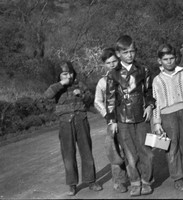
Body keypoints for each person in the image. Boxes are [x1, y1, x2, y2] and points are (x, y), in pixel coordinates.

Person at [105, 35, 156, 196]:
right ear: (118, 54)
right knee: (129, 152)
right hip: (122, 119)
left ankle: (146, 181)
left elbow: (149, 91)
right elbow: (110, 99)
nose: (129, 55)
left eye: (132, 51)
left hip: (141, 116)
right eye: (125, 52)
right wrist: (112, 120)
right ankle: (134, 181)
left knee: (145, 150)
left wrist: (149, 105)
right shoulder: (113, 74)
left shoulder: (143, 69)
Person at [44, 61, 102, 196]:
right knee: (68, 155)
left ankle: (91, 181)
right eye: (64, 73)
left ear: (73, 73)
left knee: (87, 152)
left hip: (81, 121)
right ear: (59, 75)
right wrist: (61, 84)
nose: (68, 76)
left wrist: (81, 94)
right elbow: (47, 95)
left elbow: (90, 99)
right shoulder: (56, 87)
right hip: (65, 124)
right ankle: (72, 185)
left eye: (69, 73)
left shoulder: (80, 84)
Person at [151, 44, 183, 191]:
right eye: (165, 59)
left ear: (176, 58)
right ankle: (177, 178)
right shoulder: (157, 80)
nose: (169, 61)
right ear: (160, 61)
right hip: (167, 116)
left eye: (172, 58)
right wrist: (157, 122)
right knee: (171, 148)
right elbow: (156, 102)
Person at [93, 48, 128, 193]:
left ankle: (135, 177)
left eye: (114, 61)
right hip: (113, 121)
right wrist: (107, 115)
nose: (112, 65)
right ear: (104, 64)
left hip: (128, 117)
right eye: (108, 63)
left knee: (131, 149)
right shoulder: (102, 81)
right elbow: (97, 101)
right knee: (116, 151)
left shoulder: (126, 75)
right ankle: (118, 182)